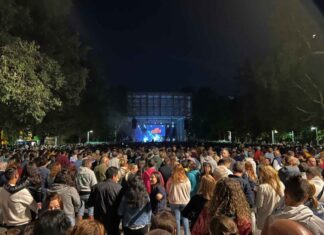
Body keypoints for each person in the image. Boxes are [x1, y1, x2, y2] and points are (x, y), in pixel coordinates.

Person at [0, 166, 38, 232]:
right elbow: (35, 207)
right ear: (16, 176)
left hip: (8, 225)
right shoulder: (22, 191)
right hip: (23, 225)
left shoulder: (1, 190)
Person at [88, 166, 123, 235]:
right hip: (113, 219)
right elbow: (121, 205)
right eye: (117, 176)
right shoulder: (119, 188)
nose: (118, 179)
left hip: (99, 218)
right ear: (114, 176)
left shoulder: (96, 187)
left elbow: (90, 203)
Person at [255, 166, 284, 230]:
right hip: (277, 216)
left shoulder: (262, 187)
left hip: (264, 217)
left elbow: (259, 205)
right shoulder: (281, 184)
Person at [166, 164, 191, 235]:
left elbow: (167, 190)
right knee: (185, 218)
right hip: (185, 201)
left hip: (174, 201)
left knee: (176, 219)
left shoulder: (171, 180)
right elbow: (189, 190)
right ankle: (186, 233)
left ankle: (178, 233)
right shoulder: (186, 180)